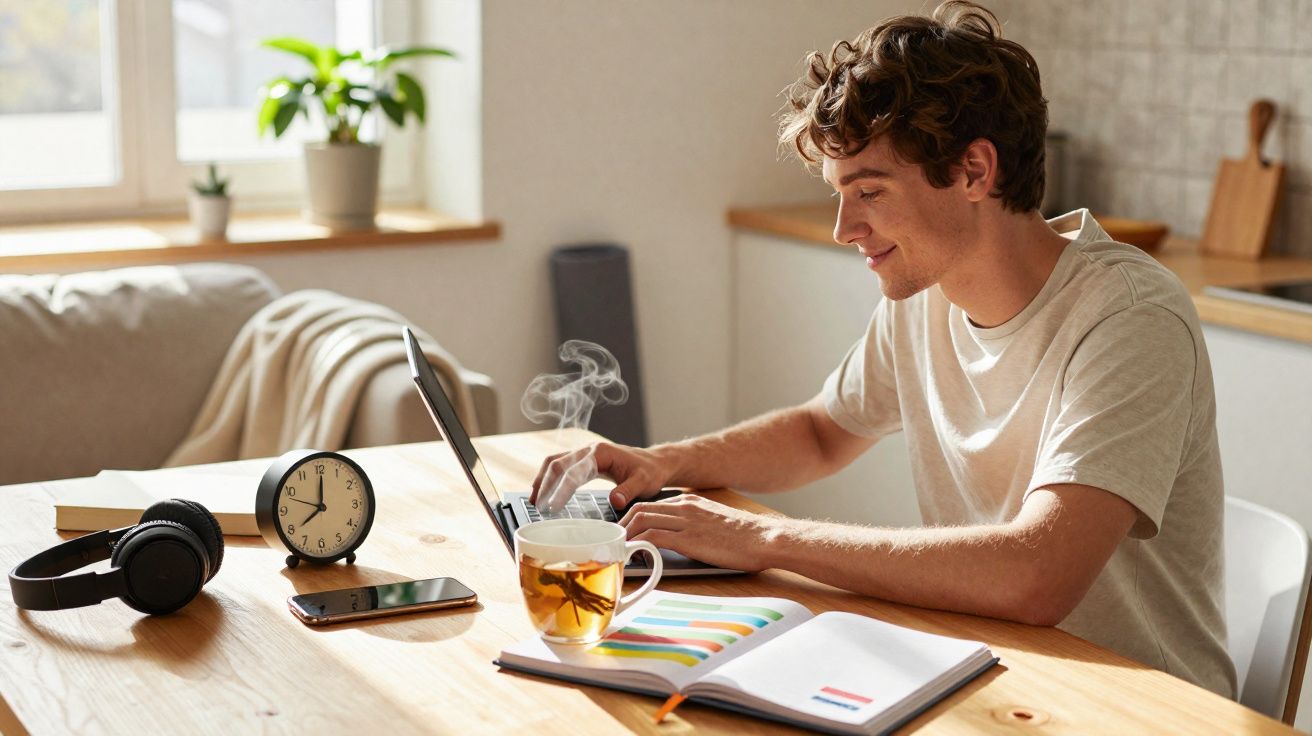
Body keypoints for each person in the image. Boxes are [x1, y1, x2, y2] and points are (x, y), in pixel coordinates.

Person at [530, 0, 1236, 697]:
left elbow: (1038, 573)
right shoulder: (927, 292)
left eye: (868, 191)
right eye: (841, 193)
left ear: (974, 172)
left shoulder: (1128, 317)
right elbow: (819, 432)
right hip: (992, 674)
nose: (844, 228)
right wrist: (664, 463)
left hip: (1137, 705)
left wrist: (761, 540)